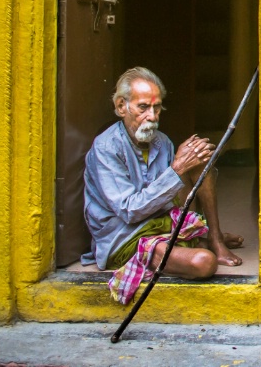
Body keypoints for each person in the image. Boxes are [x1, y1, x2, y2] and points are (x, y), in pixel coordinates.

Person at [81, 67, 243, 279]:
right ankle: (197, 241)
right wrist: (177, 170)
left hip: (160, 222)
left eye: (157, 108)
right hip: (126, 236)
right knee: (203, 262)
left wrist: (188, 164)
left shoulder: (161, 141)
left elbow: (169, 198)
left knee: (199, 159)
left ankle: (214, 238)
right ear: (122, 106)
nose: (152, 117)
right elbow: (129, 211)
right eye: (143, 108)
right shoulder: (106, 147)